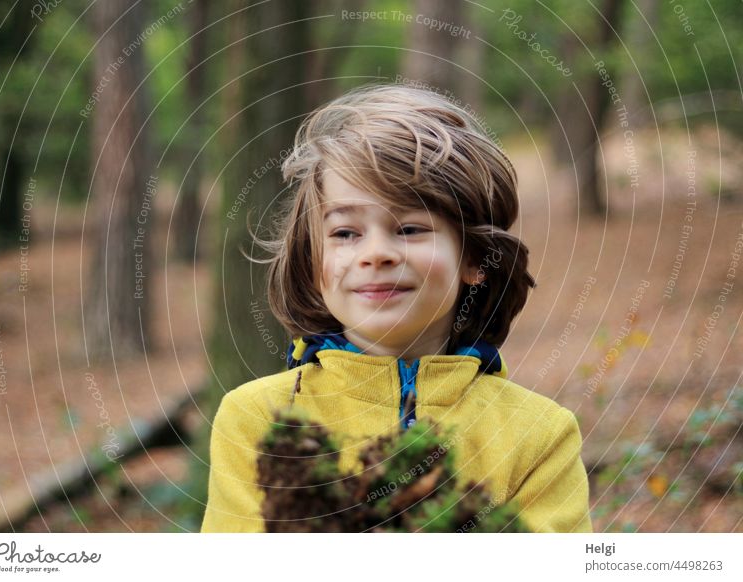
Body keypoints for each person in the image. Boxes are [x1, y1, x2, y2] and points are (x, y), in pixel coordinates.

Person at [200, 83, 592, 533]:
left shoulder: (538, 433)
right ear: (313, 262)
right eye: (345, 233)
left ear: (473, 260)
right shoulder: (258, 418)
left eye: (408, 227)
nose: (376, 253)